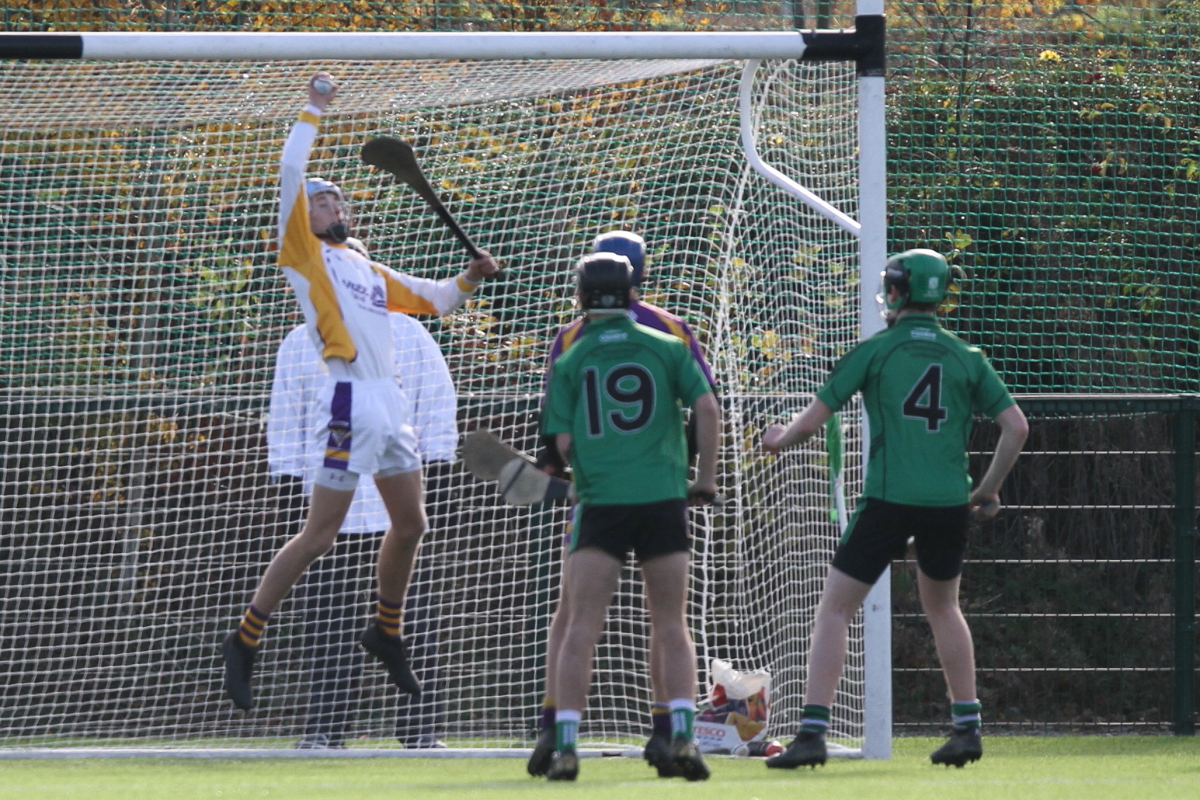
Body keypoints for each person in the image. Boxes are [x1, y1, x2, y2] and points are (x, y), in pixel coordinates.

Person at [222, 71, 498, 712]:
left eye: (339, 199)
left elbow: (436, 300)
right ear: (302, 216)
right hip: (347, 401)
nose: (333, 206)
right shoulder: (303, 257)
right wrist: (313, 109)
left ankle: (386, 630)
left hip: (390, 404)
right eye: (322, 201)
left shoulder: (365, 267)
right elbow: (292, 172)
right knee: (320, 536)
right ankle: (244, 637)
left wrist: (471, 275)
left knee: (410, 525)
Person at [760, 249, 1028, 769]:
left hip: (888, 499)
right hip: (949, 501)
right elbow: (1016, 426)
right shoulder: (966, 356)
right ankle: (967, 729)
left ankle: (812, 733)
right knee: (944, 608)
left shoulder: (876, 351)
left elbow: (811, 424)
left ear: (900, 291)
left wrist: (778, 440)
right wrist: (986, 490)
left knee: (835, 609)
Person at [526, 232, 720, 779]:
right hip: (663, 497)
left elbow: (558, 444)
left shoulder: (570, 348)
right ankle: (678, 735)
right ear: (636, 282)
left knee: (578, 620)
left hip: (601, 502)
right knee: (671, 624)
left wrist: (561, 468)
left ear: (582, 293)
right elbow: (707, 406)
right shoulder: (672, 341)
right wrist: (702, 478)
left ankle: (562, 739)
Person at [269, 281, 458, 749]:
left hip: (399, 514)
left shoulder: (411, 336)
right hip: (329, 514)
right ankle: (325, 730)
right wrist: (293, 487)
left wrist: (432, 476)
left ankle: (420, 731)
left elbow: (436, 409)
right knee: (326, 623)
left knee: (413, 621)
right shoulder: (302, 341)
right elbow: (286, 423)